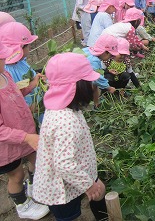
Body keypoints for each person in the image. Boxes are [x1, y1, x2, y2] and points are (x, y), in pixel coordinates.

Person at [33, 52, 108, 220]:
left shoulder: (63, 107)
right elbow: (64, 164)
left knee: (99, 194)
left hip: (79, 171)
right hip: (60, 187)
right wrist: (89, 185)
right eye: (89, 82)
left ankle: (104, 217)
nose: (92, 85)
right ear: (76, 87)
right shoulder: (65, 122)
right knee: (70, 216)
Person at [0, 41, 50, 220]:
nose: (5, 59)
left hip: (24, 131)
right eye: (1, 57)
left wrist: (33, 85)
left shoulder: (5, 74)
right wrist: (26, 137)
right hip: (6, 146)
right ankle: (22, 205)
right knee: (16, 175)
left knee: (37, 158)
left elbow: (16, 95)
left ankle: (36, 186)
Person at [0, 22, 42, 108]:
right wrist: (30, 109)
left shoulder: (21, 61)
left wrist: (37, 79)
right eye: (28, 46)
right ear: (21, 48)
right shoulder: (6, 73)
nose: (29, 48)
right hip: (29, 111)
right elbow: (15, 98)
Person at [83, 34, 118, 107]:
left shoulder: (89, 51)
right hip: (73, 80)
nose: (110, 58)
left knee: (94, 84)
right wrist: (109, 88)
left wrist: (107, 71)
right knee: (92, 84)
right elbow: (97, 78)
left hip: (79, 76)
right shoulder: (94, 60)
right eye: (111, 55)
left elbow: (96, 72)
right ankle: (84, 104)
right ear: (106, 52)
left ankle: (96, 103)